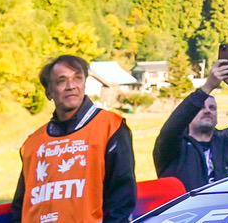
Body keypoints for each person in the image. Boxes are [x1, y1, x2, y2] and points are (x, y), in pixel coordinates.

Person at [10, 55, 136, 223]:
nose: (71, 86)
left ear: (84, 84)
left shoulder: (110, 127)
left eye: (77, 78)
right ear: (49, 92)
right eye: (61, 81)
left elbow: (121, 195)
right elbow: (20, 206)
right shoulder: (33, 143)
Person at [153, 56, 228, 190]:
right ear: (189, 115)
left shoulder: (226, 145)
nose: (207, 111)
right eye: (201, 107)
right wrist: (207, 87)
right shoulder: (173, 148)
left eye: (212, 108)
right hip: (185, 204)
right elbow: (171, 129)